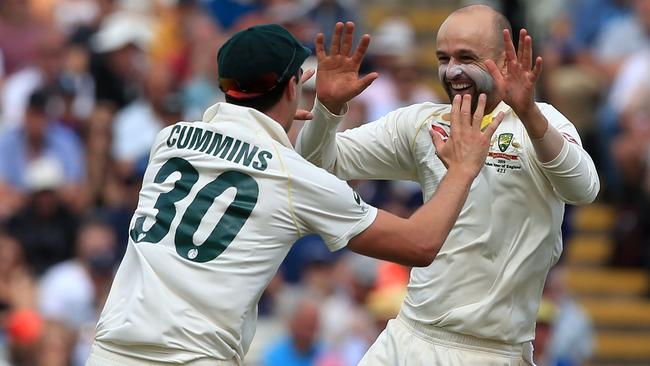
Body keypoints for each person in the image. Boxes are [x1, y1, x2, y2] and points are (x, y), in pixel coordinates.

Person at [85, 23, 502, 365]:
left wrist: (309, 117)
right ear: (291, 88)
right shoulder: (292, 177)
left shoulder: (168, 140)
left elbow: (249, 149)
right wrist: (463, 168)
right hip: (191, 357)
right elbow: (421, 243)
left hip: (108, 352)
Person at [296, 6, 600, 365]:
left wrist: (530, 113)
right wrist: (328, 110)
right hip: (409, 335)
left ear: (504, 62)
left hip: (492, 351)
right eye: (444, 57)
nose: (452, 70)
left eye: (466, 57)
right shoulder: (422, 123)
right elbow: (317, 163)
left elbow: (584, 189)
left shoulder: (540, 122)